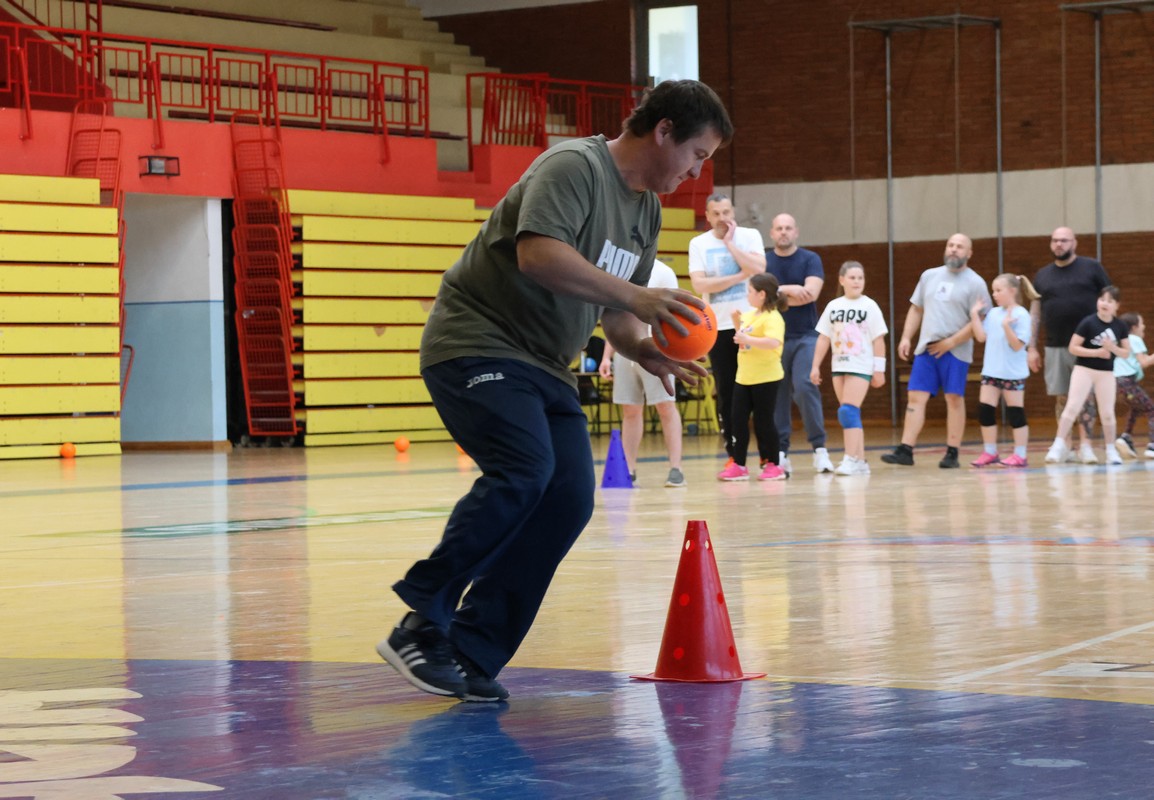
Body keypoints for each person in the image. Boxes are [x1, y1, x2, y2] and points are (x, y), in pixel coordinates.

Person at [378, 80, 733, 702]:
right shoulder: (574, 167)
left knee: (567, 499)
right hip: (477, 342)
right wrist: (638, 298)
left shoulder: (646, 211)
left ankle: (471, 648)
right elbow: (539, 256)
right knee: (525, 471)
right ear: (664, 131)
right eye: (697, 155)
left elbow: (614, 310)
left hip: (545, 363)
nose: (697, 173)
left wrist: (642, 347)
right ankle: (421, 621)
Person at [881, 233, 992, 469]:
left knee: (954, 398)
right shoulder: (929, 276)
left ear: (969, 253)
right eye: (951, 245)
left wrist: (951, 342)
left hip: (956, 351)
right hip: (927, 349)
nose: (954, 249)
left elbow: (980, 320)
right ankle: (905, 449)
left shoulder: (976, 283)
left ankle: (952, 452)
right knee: (916, 396)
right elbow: (916, 309)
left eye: (959, 246)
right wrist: (906, 337)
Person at [687, 194, 766, 467]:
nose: (722, 218)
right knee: (728, 394)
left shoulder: (750, 236)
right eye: (716, 214)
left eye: (726, 212)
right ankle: (735, 457)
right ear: (708, 216)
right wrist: (739, 276)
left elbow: (759, 269)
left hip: (753, 325)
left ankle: (769, 457)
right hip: (718, 328)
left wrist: (731, 245)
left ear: (733, 212)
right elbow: (700, 285)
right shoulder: (698, 243)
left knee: (760, 392)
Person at [598, 259, 686, 488]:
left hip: (656, 349)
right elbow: (614, 319)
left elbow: (674, 315)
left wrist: (672, 350)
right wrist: (606, 356)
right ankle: (628, 469)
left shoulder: (664, 272)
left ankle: (676, 468)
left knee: (665, 406)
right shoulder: (622, 268)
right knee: (630, 409)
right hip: (624, 351)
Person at [1029, 227, 1112, 464]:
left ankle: (1086, 446)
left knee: (1086, 397)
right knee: (1062, 397)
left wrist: (1109, 334)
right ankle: (1064, 444)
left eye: (1064, 240)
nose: (1059, 244)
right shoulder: (1043, 275)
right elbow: (1035, 311)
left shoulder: (1092, 268)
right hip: (1055, 345)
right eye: (1055, 240)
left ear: (1074, 243)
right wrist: (1031, 347)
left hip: (1089, 346)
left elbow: (1109, 300)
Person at [765, 213, 833, 475]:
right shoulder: (764, 261)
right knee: (778, 393)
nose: (783, 232)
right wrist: (792, 289)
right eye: (779, 228)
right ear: (772, 233)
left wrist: (778, 293)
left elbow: (811, 294)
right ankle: (781, 453)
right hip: (774, 338)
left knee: (805, 386)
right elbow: (762, 298)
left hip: (806, 335)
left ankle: (820, 449)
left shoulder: (810, 259)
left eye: (788, 228)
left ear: (796, 232)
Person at [810, 261, 888, 476]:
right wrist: (815, 366)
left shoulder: (869, 306)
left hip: (860, 364)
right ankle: (860, 461)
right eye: (852, 277)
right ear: (842, 280)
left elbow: (879, 339)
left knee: (847, 411)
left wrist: (879, 369)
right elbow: (824, 338)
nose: (857, 281)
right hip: (839, 365)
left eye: (860, 278)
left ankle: (850, 458)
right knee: (851, 414)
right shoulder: (834, 306)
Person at [1045, 286, 1129, 465]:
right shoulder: (1088, 322)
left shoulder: (1119, 326)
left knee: (1107, 413)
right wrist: (1096, 353)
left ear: (1117, 306)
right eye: (1102, 299)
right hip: (1084, 370)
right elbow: (1073, 347)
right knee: (1072, 406)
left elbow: (1126, 353)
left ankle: (1111, 450)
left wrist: (1112, 348)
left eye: (1110, 301)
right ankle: (1057, 445)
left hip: (1106, 373)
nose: (1105, 303)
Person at [717, 273, 788, 481]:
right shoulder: (749, 315)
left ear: (762, 294)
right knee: (737, 420)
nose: (747, 295)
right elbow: (742, 339)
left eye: (749, 291)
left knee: (764, 422)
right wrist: (735, 321)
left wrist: (747, 338)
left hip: (766, 377)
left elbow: (773, 342)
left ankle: (773, 464)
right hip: (744, 377)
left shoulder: (773, 317)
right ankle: (739, 464)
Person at [967, 273, 1039, 468]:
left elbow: (1017, 346)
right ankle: (990, 451)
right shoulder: (993, 313)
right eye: (993, 291)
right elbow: (981, 337)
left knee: (1016, 413)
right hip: (991, 371)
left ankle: (1020, 455)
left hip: (1012, 373)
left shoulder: (1021, 315)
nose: (994, 294)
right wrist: (974, 315)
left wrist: (1007, 327)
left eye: (999, 290)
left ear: (1012, 291)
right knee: (985, 411)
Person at [1112, 312, 1154, 459]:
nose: (1144, 326)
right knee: (1151, 409)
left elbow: (1140, 362)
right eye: (1141, 323)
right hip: (1127, 382)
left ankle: (1126, 437)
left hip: (1118, 384)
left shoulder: (1121, 340)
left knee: (1136, 408)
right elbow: (1144, 362)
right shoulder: (1134, 339)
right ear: (1134, 327)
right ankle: (1152, 446)